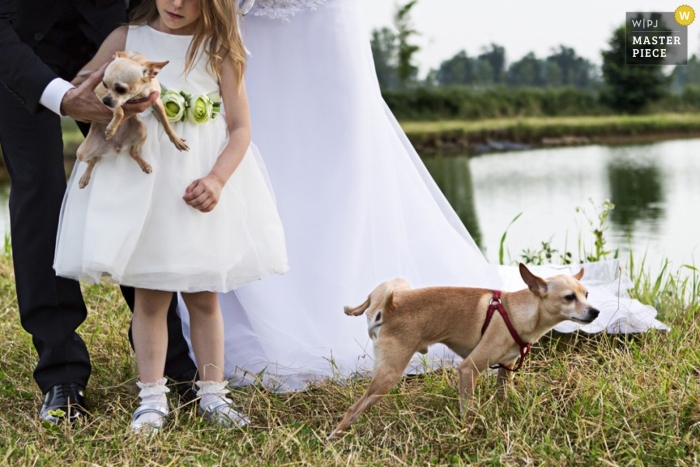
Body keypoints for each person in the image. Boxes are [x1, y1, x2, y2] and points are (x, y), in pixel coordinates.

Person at [178, 0, 667, 392]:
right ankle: (269, 302)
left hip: (318, 18)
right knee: (268, 148)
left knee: (341, 161)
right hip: (242, 21)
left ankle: (351, 301)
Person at [53, 0, 288, 432]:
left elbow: (240, 128)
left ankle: (213, 393)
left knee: (203, 296)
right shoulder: (127, 39)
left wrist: (217, 179)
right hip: (145, 189)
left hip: (195, 183)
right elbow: (82, 87)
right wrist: (108, 92)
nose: (177, 4)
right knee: (150, 297)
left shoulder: (219, 47)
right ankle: (152, 397)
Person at [0, 0, 198, 424]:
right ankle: (61, 373)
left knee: (134, 184)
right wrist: (62, 96)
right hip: (16, 46)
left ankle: (173, 359)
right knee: (39, 191)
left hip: (112, 40)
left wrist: (148, 52)